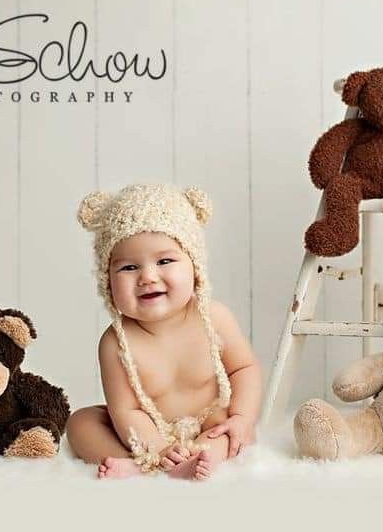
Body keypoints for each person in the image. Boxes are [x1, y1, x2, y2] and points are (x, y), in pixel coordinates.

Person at [68, 184, 261, 480]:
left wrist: (241, 418)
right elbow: (126, 410)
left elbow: (244, 369)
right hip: (145, 431)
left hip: (207, 421)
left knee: (224, 430)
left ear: (194, 266)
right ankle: (146, 464)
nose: (147, 277)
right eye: (129, 267)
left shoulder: (214, 317)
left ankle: (195, 457)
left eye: (165, 261)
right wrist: (156, 447)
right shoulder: (115, 342)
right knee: (81, 424)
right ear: (107, 280)